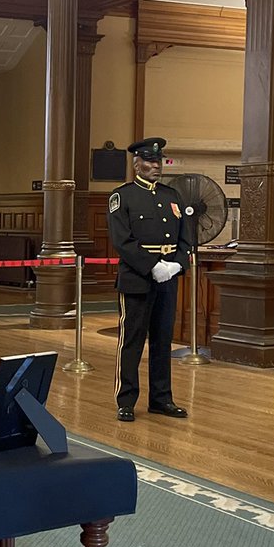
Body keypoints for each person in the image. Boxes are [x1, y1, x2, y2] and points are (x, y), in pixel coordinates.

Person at [107, 137, 190, 423]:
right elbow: (122, 241)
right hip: (137, 277)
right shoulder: (123, 196)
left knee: (162, 340)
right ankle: (126, 400)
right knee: (131, 341)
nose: (156, 166)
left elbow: (185, 238)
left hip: (168, 277)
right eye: (150, 161)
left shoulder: (172, 196)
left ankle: (161, 398)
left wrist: (176, 265)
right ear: (136, 164)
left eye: (159, 161)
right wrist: (153, 265)